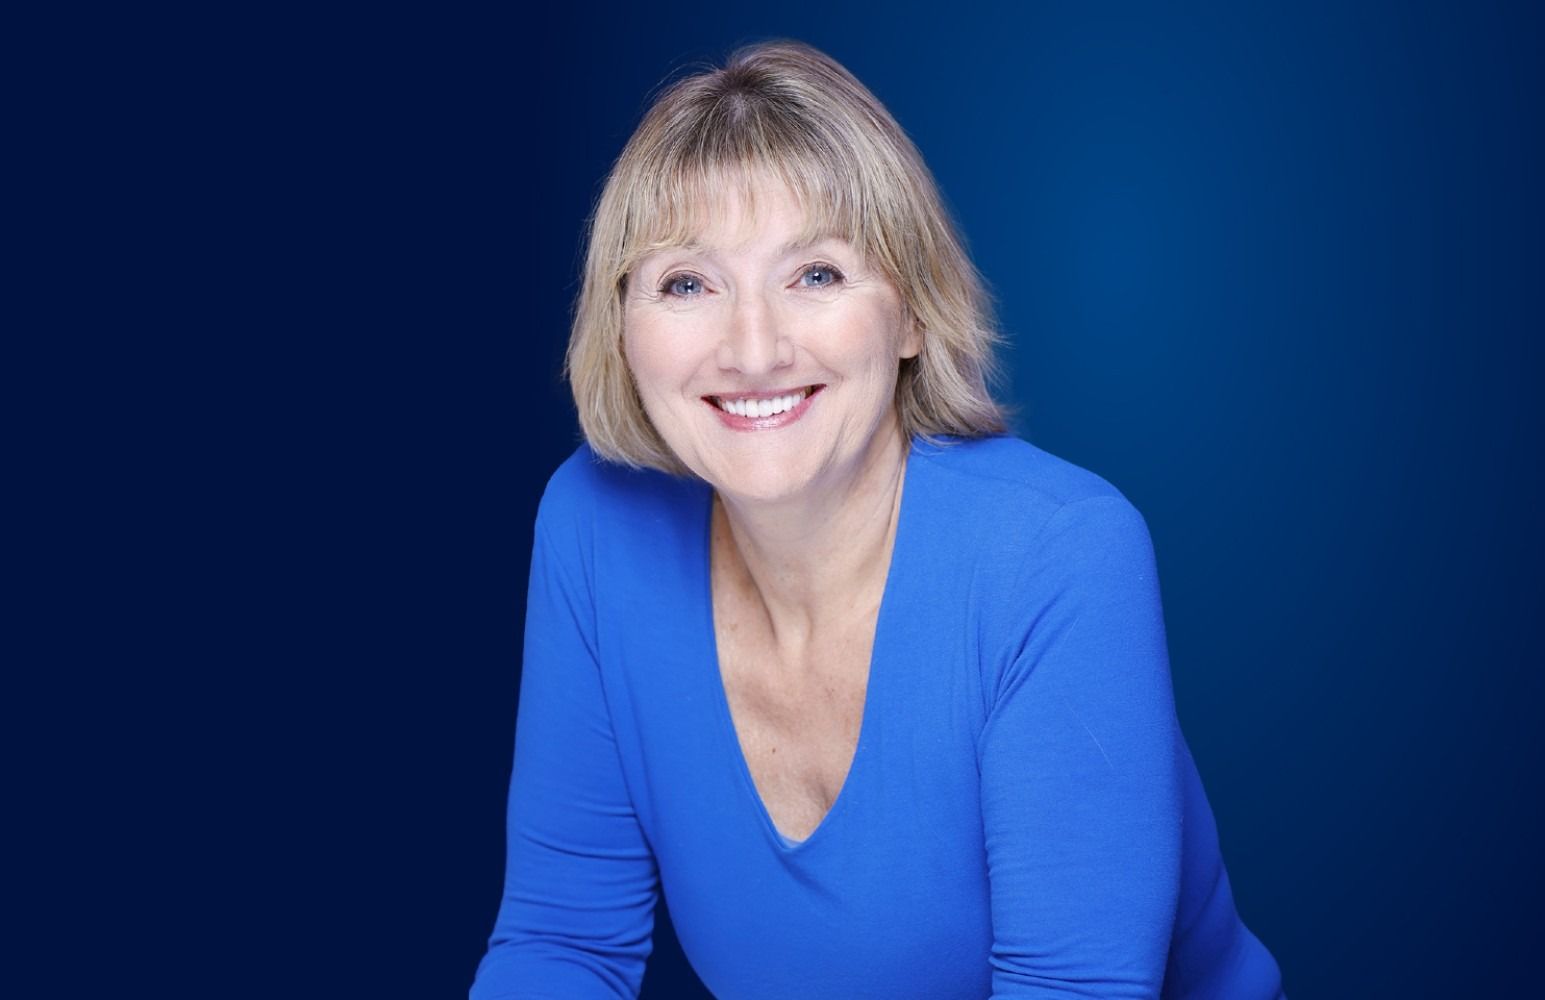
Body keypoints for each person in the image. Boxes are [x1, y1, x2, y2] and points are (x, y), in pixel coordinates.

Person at [472, 40, 1285, 999]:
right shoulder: (593, 526)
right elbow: (563, 944)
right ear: (620, 328)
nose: (753, 348)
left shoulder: (1055, 554)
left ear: (911, 315)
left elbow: (1075, 987)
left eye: (815, 274)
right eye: (687, 283)